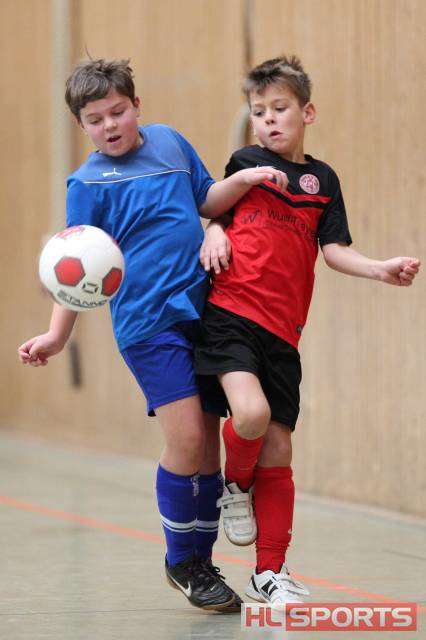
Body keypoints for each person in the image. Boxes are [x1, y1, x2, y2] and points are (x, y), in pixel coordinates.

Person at [17, 58, 291, 612]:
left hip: (205, 314)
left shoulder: (169, 143)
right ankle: (180, 559)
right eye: (95, 120)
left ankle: (202, 563)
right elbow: (77, 271)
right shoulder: (86, 184)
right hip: (147, 324)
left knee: (207, 444)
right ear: (81, 125)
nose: (110, 126)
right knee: (185, 438)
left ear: (136, 106)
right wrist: (56, 336)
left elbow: (207, 200)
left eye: (118, 112)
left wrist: (241, 183)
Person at [194, 55, 421, 607]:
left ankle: (269, 573)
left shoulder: (325, 181)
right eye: (259, 112)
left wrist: (378, 269)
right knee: (250, 415)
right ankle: (235, 486)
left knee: (278, 446)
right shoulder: (247, 162)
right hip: (230, 314)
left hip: (284, 333)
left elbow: (334, 249)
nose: (269, 119)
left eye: (280, 108)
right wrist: (214, 230)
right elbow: (216, 204)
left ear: (307, 112)